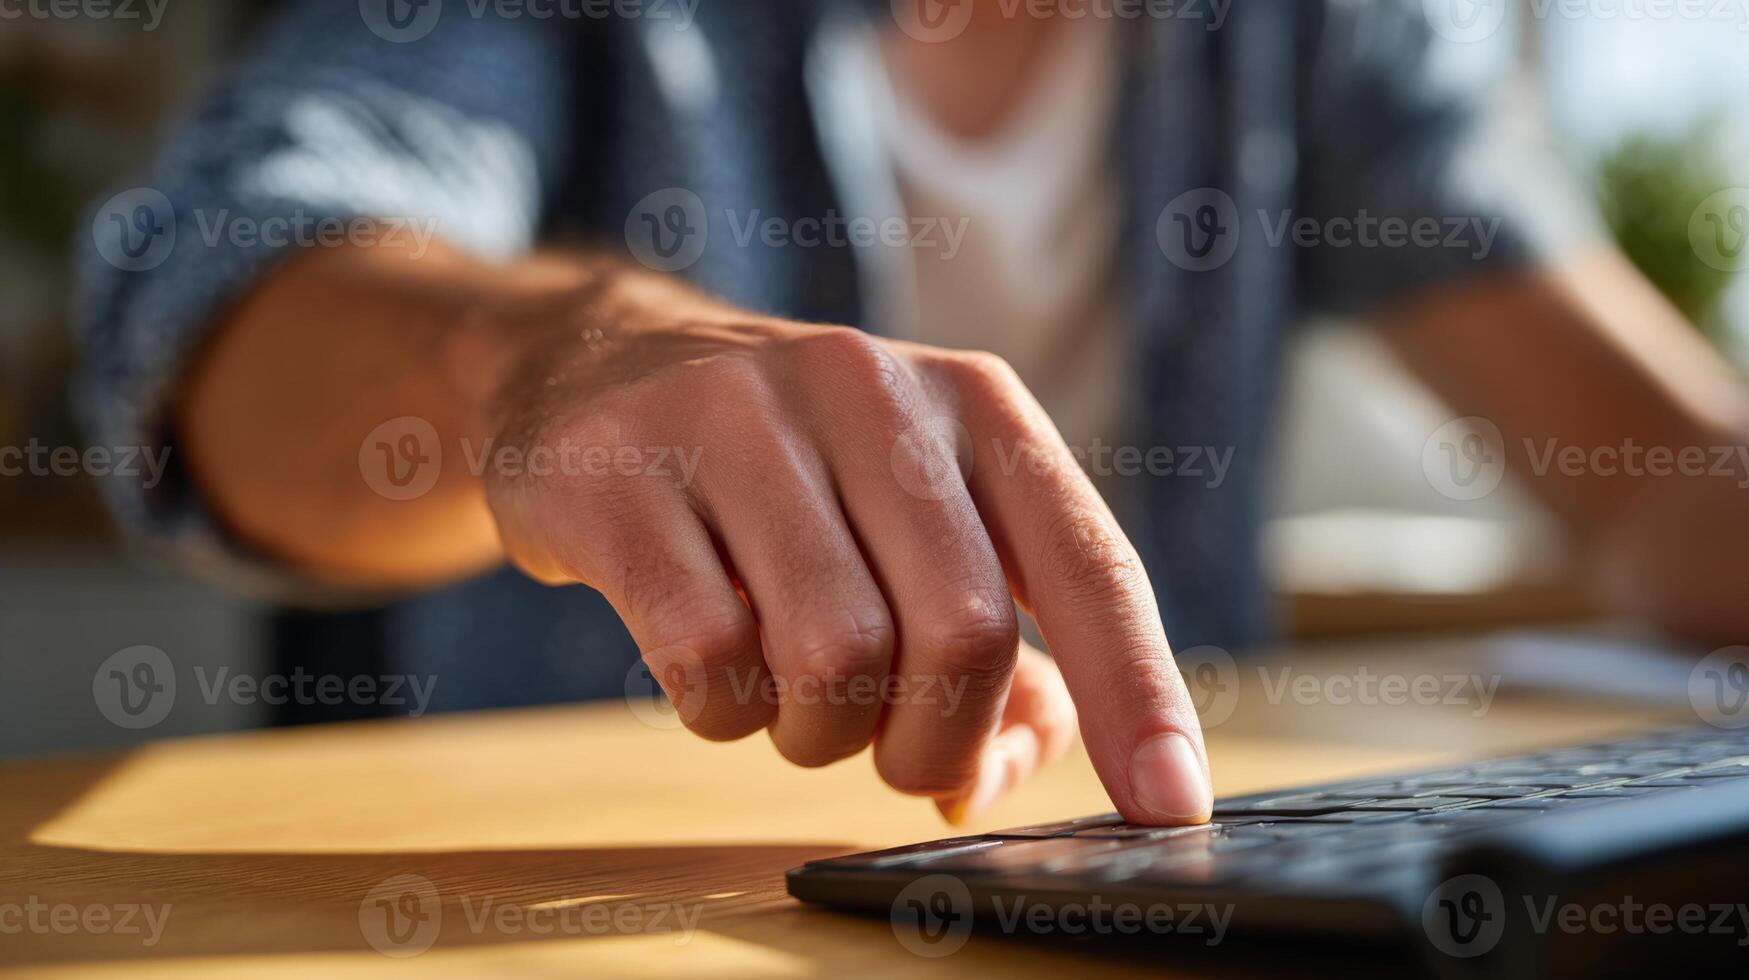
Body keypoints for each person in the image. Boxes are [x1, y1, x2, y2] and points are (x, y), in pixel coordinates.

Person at [79, 0, 1749, 827]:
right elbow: (200, 303)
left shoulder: (1315, 30)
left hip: (1168, 891)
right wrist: (541, 360)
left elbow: (1661, 466)